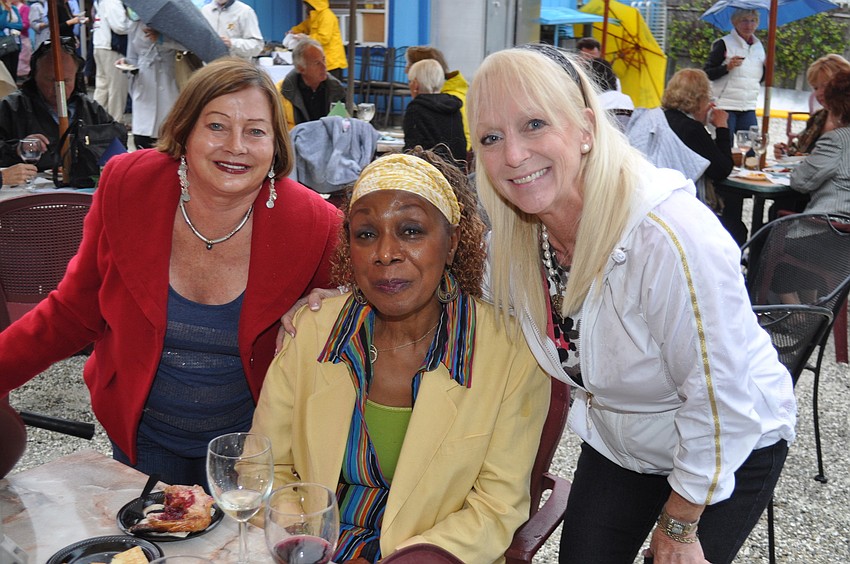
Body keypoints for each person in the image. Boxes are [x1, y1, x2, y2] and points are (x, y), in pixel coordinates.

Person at [467, 44, 795, 564]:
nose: (512, 155)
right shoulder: (517, 240)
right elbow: (454, 295)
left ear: (586, 128)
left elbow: (721, 401)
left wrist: (680, 524)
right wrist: (338, 298)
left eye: (534, 124)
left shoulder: (667, 238)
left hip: (728, 440)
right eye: (491, 137)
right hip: (623, 440)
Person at [0, 57, 342, 487]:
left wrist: (341, 304)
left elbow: (367, 329)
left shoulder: (316, 224)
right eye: (216, 126)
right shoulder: (128, 185)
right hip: (141, 438)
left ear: (275, 146)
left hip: (255, 451)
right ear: (185, 132)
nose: (235, 146)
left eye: (255, 131)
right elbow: (74, 310)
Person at [251, 149, 549, 563]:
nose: (385, 253)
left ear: (452, 242)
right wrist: (306, 541)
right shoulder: (313, 332)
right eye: (366, 234)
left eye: (410, 231)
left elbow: (496, 507)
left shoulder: (511, 353)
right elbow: (265, 468)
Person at [0, 37, 125, 171]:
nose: (59, 89)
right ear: (35, 76)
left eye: (66, 81)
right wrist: (18, 148)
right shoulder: (12, 107)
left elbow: (118, 143)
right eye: (50, 80)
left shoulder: (88, 107)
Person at [661, 68, 742, 241]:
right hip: (683, 212)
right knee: (737, 227)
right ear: (700, 99)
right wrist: (721, 127)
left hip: (661, 203)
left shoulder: (663, 118)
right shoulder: (691, 129)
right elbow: (722, 169)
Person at [789, 69, 850, 215]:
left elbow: (800, 181)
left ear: (834, 106)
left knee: (768, 232)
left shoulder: (837, 139)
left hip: (831, 227)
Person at [118, 17, 183, 149]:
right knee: (142, 133)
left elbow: (187, 45)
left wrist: (162, 39)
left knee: (166, 130)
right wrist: (125, 64)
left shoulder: (174, 23)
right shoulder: (135, 24)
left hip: (168, 78)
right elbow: (132, 56)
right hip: (143, 81)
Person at [703, 9, 765, 141]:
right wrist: (727, 67)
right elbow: (707, 73)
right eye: (744, 21)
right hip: (724, 106)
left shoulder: (759, 47)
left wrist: (767, 68)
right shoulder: (723, 44)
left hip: (747, 106)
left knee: (752, 148)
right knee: (724, 146)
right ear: (735, 23)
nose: (749, 25)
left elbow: (757, 79)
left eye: (752, 21)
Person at [775, 54, 850, 158]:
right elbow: (799, 150)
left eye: (825, 86)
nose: (819, 93)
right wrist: (785, 152)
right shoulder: (818, 118)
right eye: (815, 88)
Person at [405, 46, 471, 155]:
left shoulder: (417, 108)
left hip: (431, 166)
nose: (405, 70)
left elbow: (412, 148)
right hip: (455, 166)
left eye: (409, 65)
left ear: (416, 83)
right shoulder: (453, 103)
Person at [277, 37, 344, 130]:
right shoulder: (281, 92)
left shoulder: (335, 88)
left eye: (323, 60)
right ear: (301, 69)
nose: (324, 66)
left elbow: (348, 121)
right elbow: (278, 129)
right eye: (317, 63)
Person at [92, 0, 131, 122]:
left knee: (102, 87)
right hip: (111, 48)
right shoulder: (112, 2)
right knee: (117, 88)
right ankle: (115, 122)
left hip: (100, 45)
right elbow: (119, 26)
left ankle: (97, 120)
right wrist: (133, 22)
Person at [288, 0, 347, 79]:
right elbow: (305, 26)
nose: (306, 7)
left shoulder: (327, 16)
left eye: (307, 4)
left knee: (330, 88)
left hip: (331, 61)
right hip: (322, 60)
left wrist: (306, 38)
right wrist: (294, 31)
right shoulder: (316, 15)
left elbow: (324, 38)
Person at [0, 0, 23, 79]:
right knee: (6, 69)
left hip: (15, 41)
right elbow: (1, 24)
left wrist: (8, 25)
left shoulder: (14, 8)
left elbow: (20, 25)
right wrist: (6, 11)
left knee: (14, 69)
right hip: (3, 43)